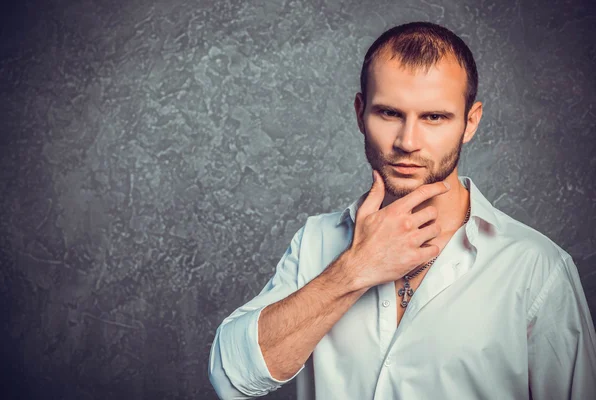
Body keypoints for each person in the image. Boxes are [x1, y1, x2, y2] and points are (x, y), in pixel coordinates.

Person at [208, 21, 596, 399]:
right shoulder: (316, 241)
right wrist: (353, 270)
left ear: (470, 122)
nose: (408, 142)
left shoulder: (536, 267)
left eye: (434, 117)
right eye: (389, 113)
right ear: (360, 113)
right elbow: (232, 379)